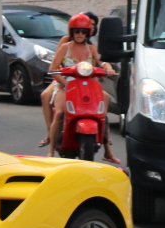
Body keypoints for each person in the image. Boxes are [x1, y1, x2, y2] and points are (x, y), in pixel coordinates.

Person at [39, 13, 119, 164]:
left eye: (83, 31)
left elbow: (101, 63)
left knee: (104, 104)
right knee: (60, 112)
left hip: (87, 86)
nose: (80, 34)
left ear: (88, 32)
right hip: (65, 85)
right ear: (71, 32)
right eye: (77, 31)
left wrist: (108, 68)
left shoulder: (91, 48)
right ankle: (50, 151)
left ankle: (108, 150)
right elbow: (53, 69)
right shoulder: (65, 47)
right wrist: (66, 83)